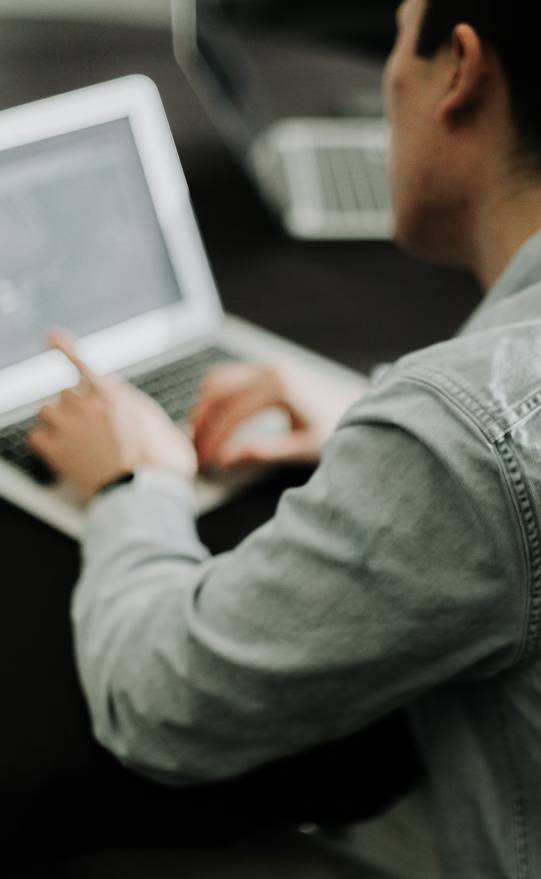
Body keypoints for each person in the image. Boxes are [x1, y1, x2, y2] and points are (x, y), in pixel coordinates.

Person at [26, 0, 541, 875]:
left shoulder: (465, 438)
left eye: (396, 30)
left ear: (457, 70)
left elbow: (162, 703)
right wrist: (369, 413)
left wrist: (130, 485)